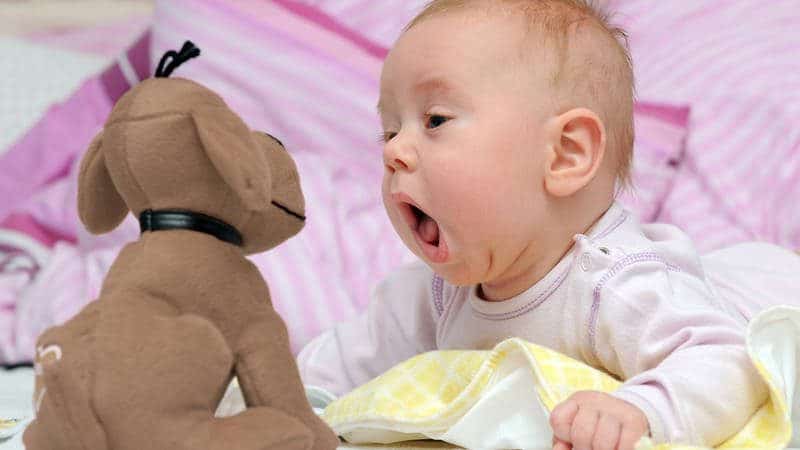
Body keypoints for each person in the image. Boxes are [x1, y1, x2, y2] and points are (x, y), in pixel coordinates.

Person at [297, 1, 800, 448]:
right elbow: (331, 370)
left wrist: (641, 408)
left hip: (770, 287)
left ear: (565, 154)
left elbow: (726, 359)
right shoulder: (429, 296)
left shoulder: (614, 283)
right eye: (389, 128)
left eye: (434, 120)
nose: (392, 151)